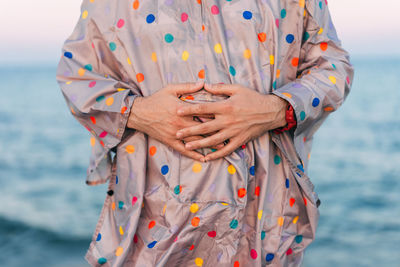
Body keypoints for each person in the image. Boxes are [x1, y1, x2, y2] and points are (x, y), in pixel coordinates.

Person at [56, 0, 354, 266]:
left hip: (264, 221)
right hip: (151, 233)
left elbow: (333, 69)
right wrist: (139, 112)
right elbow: (76, 74)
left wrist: (274, 109)